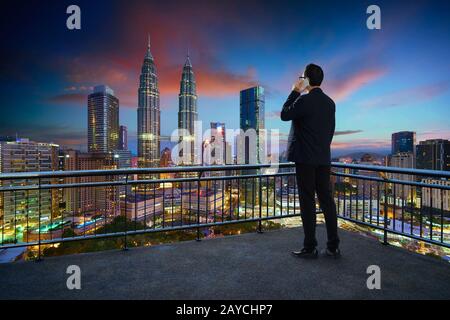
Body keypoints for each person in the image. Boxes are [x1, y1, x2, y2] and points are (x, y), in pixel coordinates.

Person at [280, 63, 340, 259]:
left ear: (306, 79)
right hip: (323, 158)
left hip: (305, 159)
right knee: (327, 201)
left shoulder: (304, 100)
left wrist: (295, 91)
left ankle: (310, 247)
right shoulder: (330, 103)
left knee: (307, 202)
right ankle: (333, 246)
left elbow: (284, 114)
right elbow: (329, 131)